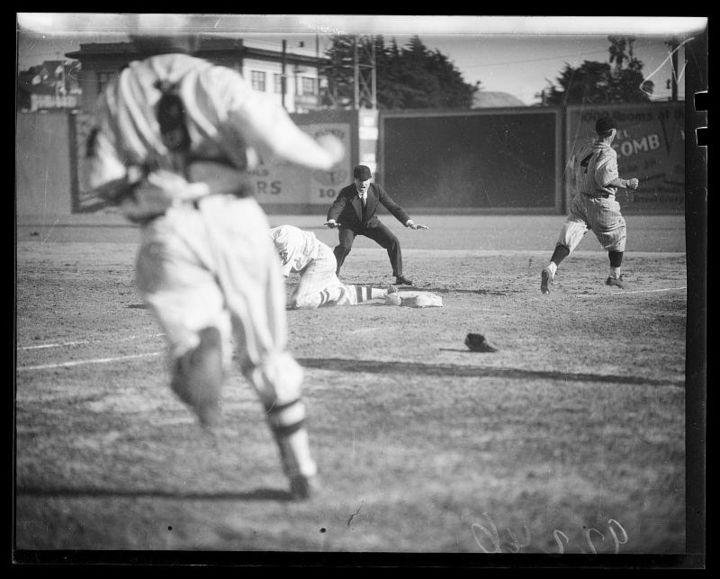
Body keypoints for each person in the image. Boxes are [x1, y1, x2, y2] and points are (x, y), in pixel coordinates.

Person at [85, 18, 345, 500]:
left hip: (168, 227)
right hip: (235, 219)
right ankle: (302, 470)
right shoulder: (216, 78)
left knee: (190, 335)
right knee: (268, 354)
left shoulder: (117, 90)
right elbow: (277, 138)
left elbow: (102, 177)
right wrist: (324, 154)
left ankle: (201, 346)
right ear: (195, 37)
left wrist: (149, 184)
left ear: (134, 38)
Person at [540, 116, 639, 294]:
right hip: (601, 203)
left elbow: (574, 170)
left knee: (568, 236)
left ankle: (551, 268)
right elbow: (605, 179)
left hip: (580, 200)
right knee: (619, 233)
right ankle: (614, 276)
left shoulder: (584, 148)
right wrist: (628, 183)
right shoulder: (608, 152)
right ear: (612, 133)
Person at [325, 164, 428, 286]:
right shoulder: (346, 192)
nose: (363, 184)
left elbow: (392, 206)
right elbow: (337, 206)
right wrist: (332, 220)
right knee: (344, 247)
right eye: (360, 180)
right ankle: (331, 275)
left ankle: (399, 276)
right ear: (355, 180)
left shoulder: (376, 190)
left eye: (366, 180)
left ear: (370, 179)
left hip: (370, 223)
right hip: (349, 225)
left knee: (393, 241)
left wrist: (409, 222)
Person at [269, 225, 398, 309]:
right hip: (313, 263)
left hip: (321, 260)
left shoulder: (284, 238)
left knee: (299, 301)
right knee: (338, 299)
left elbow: (279, 277)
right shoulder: (263, 243)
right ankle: (384, 293)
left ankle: (335, 292)